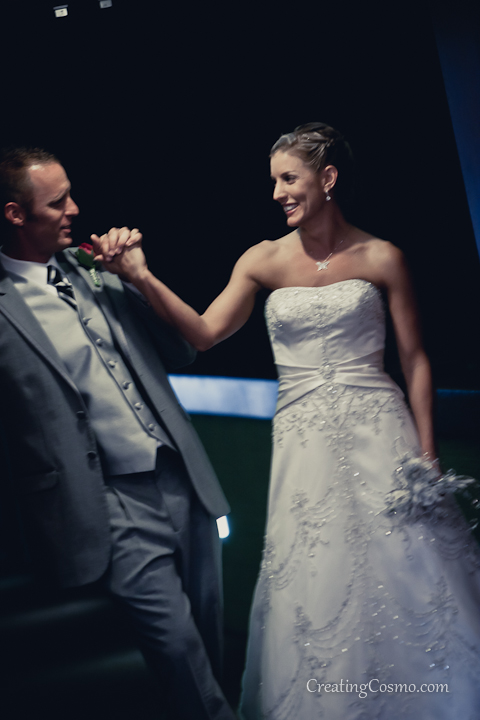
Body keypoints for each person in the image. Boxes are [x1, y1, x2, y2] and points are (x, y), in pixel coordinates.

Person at [98, 123, 480, 719]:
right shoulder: (262, 259)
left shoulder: (383, 257)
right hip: (304, 443)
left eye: (288, 178)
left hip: (382, 433)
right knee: (317, 572)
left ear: (328, 179)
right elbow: (204, 332)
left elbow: (416, 360)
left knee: (408, 567)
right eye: (273, 180)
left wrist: (427, 458)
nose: (277, 192)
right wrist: (141, 277)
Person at [0, 147, 237, 720]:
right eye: (58, 202)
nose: (74, 210)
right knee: (175, 645)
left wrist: (136, 277)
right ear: (15, 214)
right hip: (103, 500)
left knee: (208, 632)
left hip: (179, 474)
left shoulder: (93, 267)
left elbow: (181, 350)